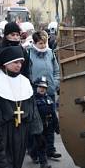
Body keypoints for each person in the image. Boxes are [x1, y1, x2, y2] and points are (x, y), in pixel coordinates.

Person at [28, 31, 61, 159]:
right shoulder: (29, 54)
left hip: (50, 92)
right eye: (40, 43)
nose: (43, 45)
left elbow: (56, 70)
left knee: (51, 122)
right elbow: (28, 72)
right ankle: (34, 152)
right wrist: (33, 87)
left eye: (44, 43)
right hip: (35, 94)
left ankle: (50, 149)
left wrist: (56, 83)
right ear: (35, 43)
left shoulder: (50, 53)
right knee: (37, 124)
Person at [33, 77, 59, 168]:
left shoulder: (49, 98)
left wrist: (57, 126)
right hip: (39, 125)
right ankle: (43, 162)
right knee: (40, 143)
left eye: (44, 87)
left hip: (49, 124)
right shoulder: (32, 100)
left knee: (49, 139)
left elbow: (53, 112)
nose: (42, 89)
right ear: (36, 87)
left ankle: (50, 152)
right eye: (40, 87)